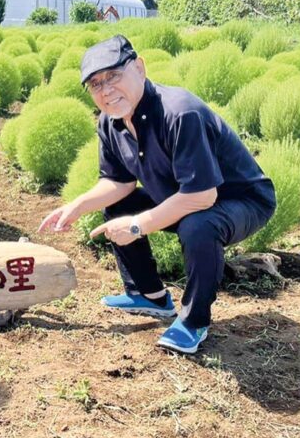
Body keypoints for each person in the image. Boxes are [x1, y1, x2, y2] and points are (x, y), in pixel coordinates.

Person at [39, 35, 276, 354]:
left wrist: (137, 225)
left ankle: (194, 321)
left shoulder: (179, 112)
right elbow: (118, 183)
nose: (106, 90)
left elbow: (202, 197)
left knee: (199, 226)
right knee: (120, 205)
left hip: (239, 200)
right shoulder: (110, 123)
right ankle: (148, 295)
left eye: (113, 76)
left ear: (139, 68)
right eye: (95, 84)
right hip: (185, 196)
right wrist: (76, 206)